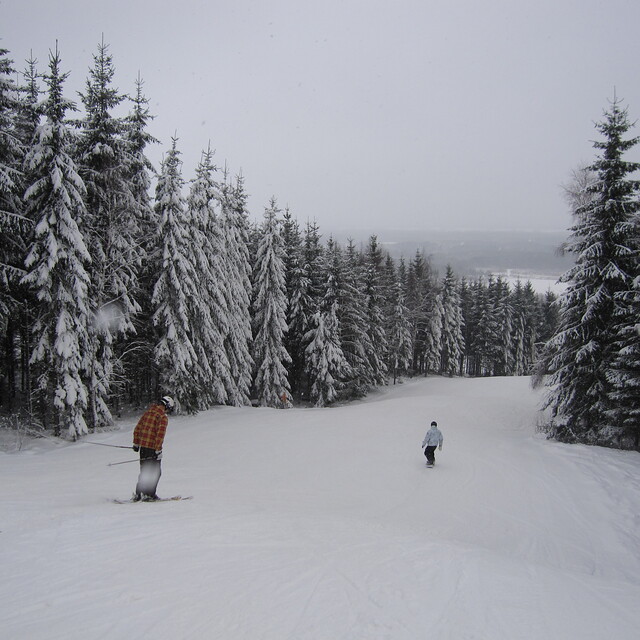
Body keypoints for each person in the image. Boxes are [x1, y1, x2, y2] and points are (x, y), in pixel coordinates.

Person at [132, 395, 175, 500]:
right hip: (152, 449)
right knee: (155, 472)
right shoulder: (162, 417)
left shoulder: (148, 413)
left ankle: (139, 493)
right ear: (166, 406)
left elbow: (138, 428)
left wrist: (136, 443)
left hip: (143, 448)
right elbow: (159, 435)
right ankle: (149, 494)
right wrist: (158, 450)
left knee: (144, 471)